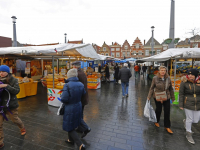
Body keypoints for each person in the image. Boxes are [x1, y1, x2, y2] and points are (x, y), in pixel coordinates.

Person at [0, 65, 26, 148]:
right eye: (0, 72)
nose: (1, 73)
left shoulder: (13, 80)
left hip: (10, 105)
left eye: (3, 71)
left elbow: (16, 91)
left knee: (15, 120)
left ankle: (22, 127)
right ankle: (0, 141)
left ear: (7, 72)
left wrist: (6, 86)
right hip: (0, 106)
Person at [61, 69, 86, 150]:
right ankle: (70, 140)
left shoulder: (67, 85)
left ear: (69, 76)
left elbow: (64, 99)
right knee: (72, 123)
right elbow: (84, 93)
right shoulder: (81, 84)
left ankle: (80, 144)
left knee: (69, 127)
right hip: (78, 105)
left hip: (70, 107)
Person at [147, 66, 175, 134]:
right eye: (162, 70)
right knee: (158, 109)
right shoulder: (155, 78)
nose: (163, 71)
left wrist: (173, 97)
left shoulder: (168, 78)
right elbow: (151, 88)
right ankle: (156, 121)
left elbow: (170, 88)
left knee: (167, 111)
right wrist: (149, 96)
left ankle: (167, 126)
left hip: (166, 96)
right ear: (159, 71)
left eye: (164, 70)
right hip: (158, 96)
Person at [179, 69, 200, 144]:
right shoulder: (184, 82)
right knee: (190, 119)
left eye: (192, 75)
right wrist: (181, 104)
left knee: (196, 120)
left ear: (196, 76)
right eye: (189, 74)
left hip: (198, 103)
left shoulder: (199, 82)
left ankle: (185, 121)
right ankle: (188, 133)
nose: (190, 76)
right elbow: (181, 94)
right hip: (187, 103)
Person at [72, 61, 91, 138]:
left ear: (75, 66)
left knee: (77, 114)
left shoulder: (77, 74)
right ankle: (80, 128)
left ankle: (86, 128)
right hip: (83, 96)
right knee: (80, 113)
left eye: (72, 65)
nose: (72, 67)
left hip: (79, 97)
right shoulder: (82, 73)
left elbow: (76, 87)